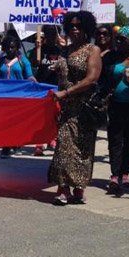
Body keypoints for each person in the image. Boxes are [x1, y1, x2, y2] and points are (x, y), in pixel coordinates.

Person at [48, 11, 102, 205]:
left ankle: (78, 189)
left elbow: (92, 78)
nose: (75, 29)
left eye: (79, 26)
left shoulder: (92, 50)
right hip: (65, 108)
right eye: (71, 26)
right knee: (63, 146)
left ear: (87, 28)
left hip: (84, 109)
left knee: (81, 149)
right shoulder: (65, 50)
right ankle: (63, 188)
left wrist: (67, 92)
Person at [0, 34, 36, 158]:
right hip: (3, 97)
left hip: (18, 97)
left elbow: (29, 76)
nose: (10, 50)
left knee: (16, 121)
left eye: (12, 47)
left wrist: (37, 86)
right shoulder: (0, 61)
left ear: (17, 47)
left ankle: (16, 143)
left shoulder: (23, 61)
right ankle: (6, 146)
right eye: (7, 47)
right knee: (4, 122)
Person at [105, 26, 129, 194]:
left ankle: (125, 173)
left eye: (123, 39)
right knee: (115, 139)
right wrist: (122, 66)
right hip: (115, 103)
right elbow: (106, 74)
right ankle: (115, 175)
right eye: (117, 38)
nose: (119, 41)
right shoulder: (112, 56)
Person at [28, 25, 63, 155]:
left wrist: (63, 48)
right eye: (47, 33)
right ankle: (39, 144)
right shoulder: (39, 49)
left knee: (56, 114)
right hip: (42, 86)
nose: (50, 36)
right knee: (41, 115)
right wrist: (37, 49)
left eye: (53, 33)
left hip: (57, 86)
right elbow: (34, 63)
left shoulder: (61, 50)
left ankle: (52, 139)